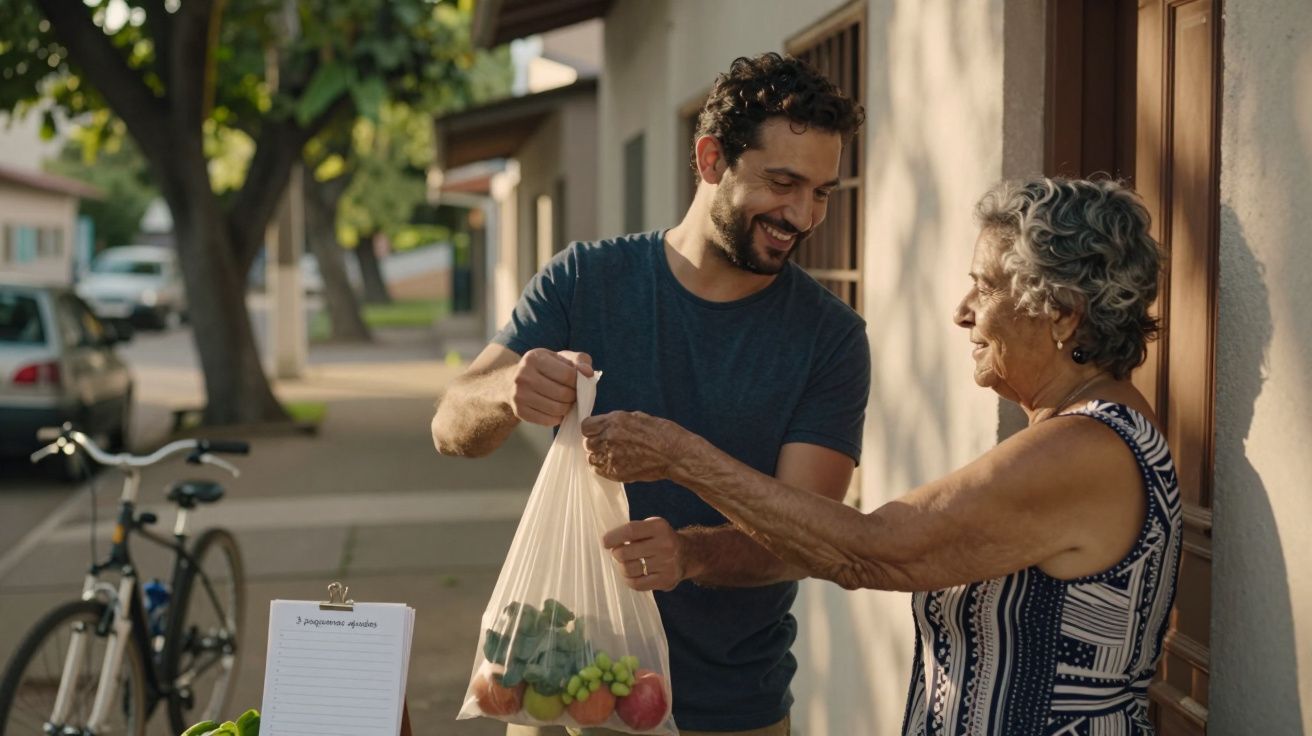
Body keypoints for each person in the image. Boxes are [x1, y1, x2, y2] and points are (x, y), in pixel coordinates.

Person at [583, 177, 1182, 734]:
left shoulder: (1085, 449)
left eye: (987, 285)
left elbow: (867, 551)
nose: (963, 310)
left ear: (1062, 313)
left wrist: (681, 457)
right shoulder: (1077, 435)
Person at [432, 52, 868, 735]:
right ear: (710, 159)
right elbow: (449, 424)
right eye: (783, 182)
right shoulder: (585, 280)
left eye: (821, 191)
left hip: (728, 711)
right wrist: (504, 392)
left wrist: (690, 554)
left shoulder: (831, 339)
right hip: (562, 692)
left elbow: (808, 536)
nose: (803, 215)